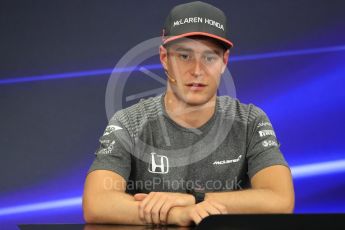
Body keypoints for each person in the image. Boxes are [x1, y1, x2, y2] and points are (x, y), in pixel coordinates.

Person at [83, 1, 294, 226]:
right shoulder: (129, 123)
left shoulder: (250, 121)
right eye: (184, 56)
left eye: (209, 57)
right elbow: (96, 203)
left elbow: (281, 199)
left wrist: (194, 200)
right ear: (165, 59)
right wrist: (176, 213)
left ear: (224, 61)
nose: (197, 70)